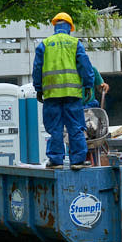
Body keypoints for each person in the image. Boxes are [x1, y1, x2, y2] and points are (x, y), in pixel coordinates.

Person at [32, 12, 95, 169]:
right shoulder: (75, 43)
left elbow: (37, 68)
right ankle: (78, 160)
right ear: (69, 27)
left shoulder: (45, 44)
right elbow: (85, 65)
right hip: (72, 94)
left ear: (55, 26)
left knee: (55, 129)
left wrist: (38, 88)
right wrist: (88, 84)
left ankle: (56, 160)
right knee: (75, 127)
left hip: (52, 95)